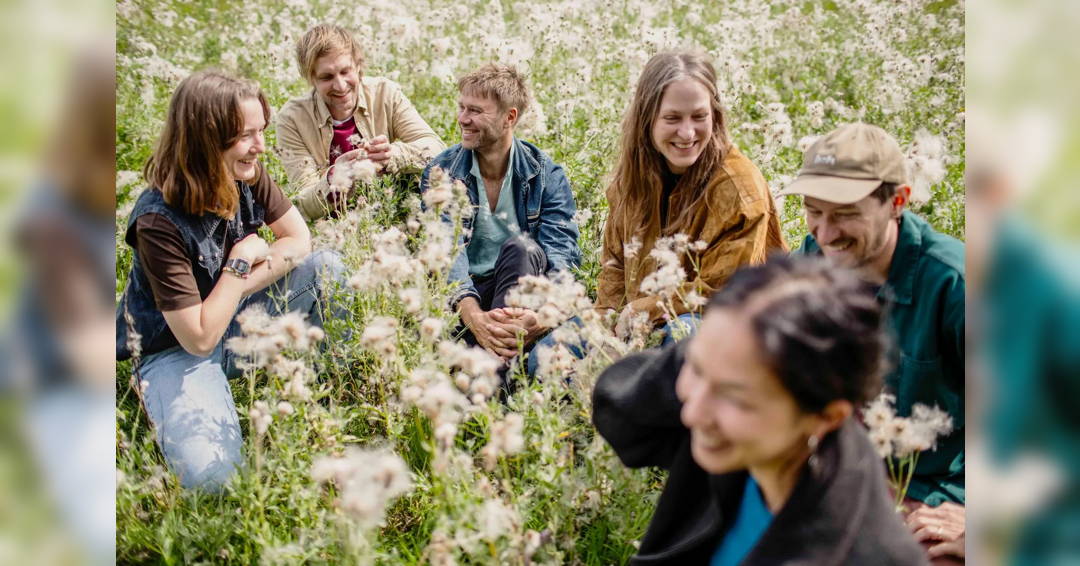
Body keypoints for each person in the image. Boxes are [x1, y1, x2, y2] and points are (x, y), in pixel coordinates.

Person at [593, 255, 926, 565]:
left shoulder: (868, 552)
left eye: (735, 397)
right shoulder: (747, 438)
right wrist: (721, 351)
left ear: (826, 417)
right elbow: (619, 411)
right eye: (696, 368)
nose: (692, 414)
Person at [115, 70, 347, 490]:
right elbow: (199, 338)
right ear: (206, 140)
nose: (260, 146)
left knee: (326, 268)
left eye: (261, 131)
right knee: (215, 483)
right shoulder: (157, 220)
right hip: (175, 352)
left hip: (235, 319)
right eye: (245, 135)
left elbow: (299, 239)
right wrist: (239, 262)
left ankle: (339, 387)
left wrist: (235, 289)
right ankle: (153, 389)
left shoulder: (246, 172)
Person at [778, 122, 965, 563]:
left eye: (844, 213)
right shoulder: (808, 264)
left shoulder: (955, 284)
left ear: (897, 201)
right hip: (844, 473)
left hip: (935, 491)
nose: (824, 234)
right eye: (813, 212)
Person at [594, 50, 786, 341]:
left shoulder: (738, 189)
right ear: (647, 119)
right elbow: (615, 267)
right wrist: (602, 327)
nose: (687, 133)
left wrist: (644, 309)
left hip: (726, 331)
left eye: (699, 116)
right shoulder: (630, 181)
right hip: (637, 326)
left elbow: (724, 291)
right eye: (672, 118)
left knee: (681, 336)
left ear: (715, 116)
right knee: (551, 352)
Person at [419, 63, 581, 366]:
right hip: (464, 302)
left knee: (521, 248)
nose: (463, 119)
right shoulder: (442, 171)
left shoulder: (546, 175)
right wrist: (476, 318)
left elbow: (562, 259)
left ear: (510, 117)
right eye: (462, 108)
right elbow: (444, 252)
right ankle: (499, 374)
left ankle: (492, 371)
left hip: (524, 298)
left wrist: (541, 320)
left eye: (476, 111)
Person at [276, 24, 445, 221]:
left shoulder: (385, 93)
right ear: (311, 79)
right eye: (326, 77)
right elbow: (304, 205)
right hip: (335, 229)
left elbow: (437, 149)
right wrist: (335, 179)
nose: (340, 85)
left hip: (396, 217)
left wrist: (393, 155)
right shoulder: (293, 119)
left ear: (358, 65)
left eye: (345, 71)